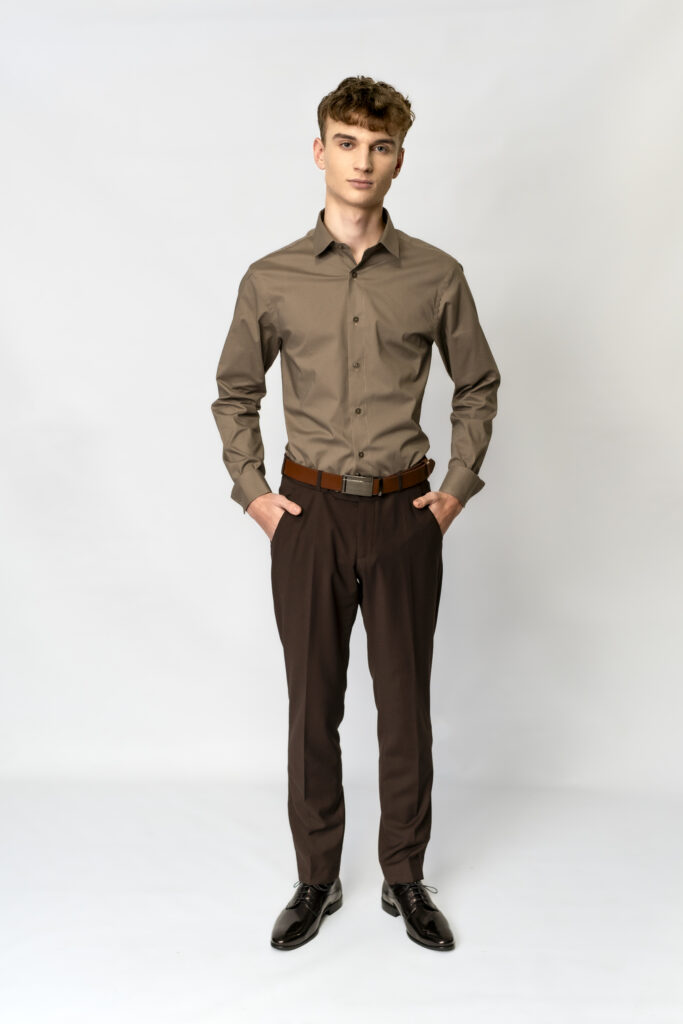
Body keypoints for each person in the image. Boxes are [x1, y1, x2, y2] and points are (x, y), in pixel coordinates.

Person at [210, 75, 501, 952]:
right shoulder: (271, 278)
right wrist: (255, 494)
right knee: (313, 705)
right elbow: (234, 391)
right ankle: (316, 877)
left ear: (399, 159)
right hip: (306, 516)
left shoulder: (435, 275)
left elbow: (477, 385)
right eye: (346, 142)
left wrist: (454, 490)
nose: (362, 161)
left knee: (403, 706)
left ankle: (404, 877)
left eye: (379, 146)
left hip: (404, 513)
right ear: (319, 152)